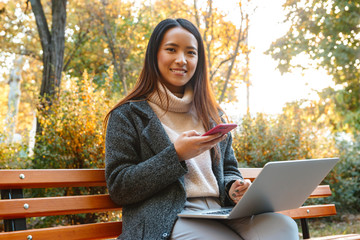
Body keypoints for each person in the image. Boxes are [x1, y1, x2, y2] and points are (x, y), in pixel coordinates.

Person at [104, 18, 299, 240]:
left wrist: (234, 187)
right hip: (172, 216)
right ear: (154, 55)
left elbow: (229, 169)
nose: (181, 60)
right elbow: (119, 186)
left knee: (283, 227)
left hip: (221, 212)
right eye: (171, 49)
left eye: (190, 52)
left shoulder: (211, 114)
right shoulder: (128, 115)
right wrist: (176, 155)